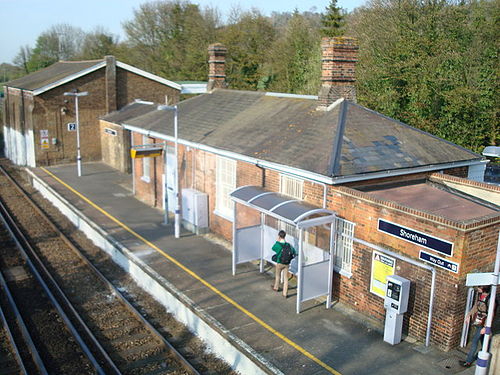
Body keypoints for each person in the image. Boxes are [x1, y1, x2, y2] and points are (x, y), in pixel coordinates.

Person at [460, 285, 492, 368]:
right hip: (478, 321)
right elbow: (475, 306)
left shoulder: (490, 300)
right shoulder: (479, 295)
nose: (477, 289)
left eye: (479, 287)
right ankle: (486, 351)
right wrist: (469, 315)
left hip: (483, 323)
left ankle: (468, 361)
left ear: (484, 288)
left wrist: (485, 327)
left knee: (474, 341)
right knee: (482, 339)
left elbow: (491, 315)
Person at [271, 230, 296, 298]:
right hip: (287, 264)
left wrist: (277, 241)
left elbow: (273, 248)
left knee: (278, 276)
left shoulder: (278, 244)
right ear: (285, 236)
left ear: (279, 236)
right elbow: (294, 252)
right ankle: (285, 293)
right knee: (286, 279)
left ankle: (276, 288)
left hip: (280, 263)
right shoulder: (288, 245)